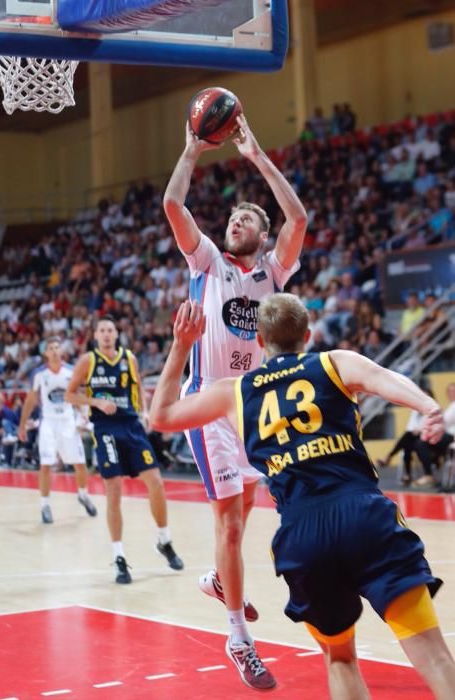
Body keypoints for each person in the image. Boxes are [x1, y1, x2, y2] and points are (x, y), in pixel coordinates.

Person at [149, 297, 455, 699]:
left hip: (303, 533)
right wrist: (429, 406)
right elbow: (385, 378)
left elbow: (161, 417)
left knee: (341, 659)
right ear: (308, 336)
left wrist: (182, 345)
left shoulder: (235, 391)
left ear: (259, 341)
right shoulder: (333, 362)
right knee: (432, 654)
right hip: (365, 516)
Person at [163, 113, 307, 688]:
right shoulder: (207, 263)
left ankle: (224, 581)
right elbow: (175, 208)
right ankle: (238, 638)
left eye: (245, 218)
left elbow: (297, 215)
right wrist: (194, 150)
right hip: (210, 403)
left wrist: (255, 156)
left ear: (262, 235)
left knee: (243, 517)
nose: (234, 221)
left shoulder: (274, 271)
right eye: (231, 216)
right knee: (229, 525)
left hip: (255, 404)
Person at [65, 315, 184, 584]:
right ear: (96, 336)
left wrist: (143, 412)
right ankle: (119, 557)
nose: (107, 334)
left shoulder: (129, 358)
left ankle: (164, 540)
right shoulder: (88, 361)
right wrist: (94, 401)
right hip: (106, 428)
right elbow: (69, 395)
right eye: (102, 330)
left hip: (131, 426)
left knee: (156, 482)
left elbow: (138, 387)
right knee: (114, 489)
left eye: (111, 329)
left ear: (117, 333)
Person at [18, 337, 97, 524]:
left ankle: (83, 495)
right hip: (49, 423)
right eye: (50, 348)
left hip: (68, 422)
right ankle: (45, 505)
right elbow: (30, 400)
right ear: (46, 353)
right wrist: (22, 425)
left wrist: (83, 412)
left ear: (61, 351)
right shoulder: (39, 374)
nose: (54, 351)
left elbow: (76, 394)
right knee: (46, 464)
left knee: (79, 463)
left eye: (56, 347)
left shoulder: (71, 371)